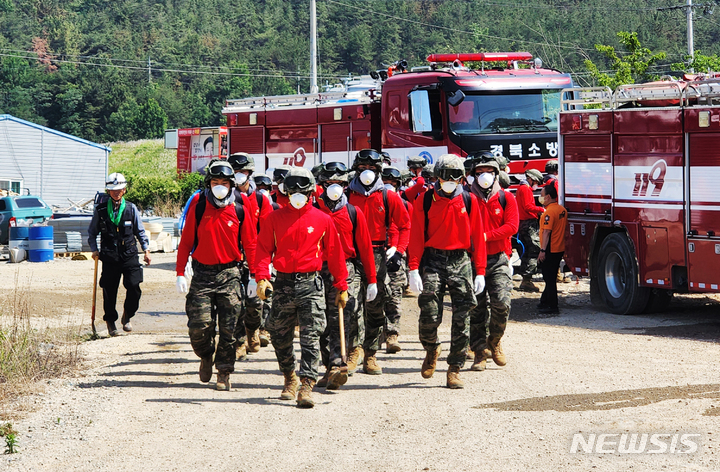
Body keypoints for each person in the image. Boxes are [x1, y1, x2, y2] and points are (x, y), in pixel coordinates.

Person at [255, 167, 349, 408]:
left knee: (311, 337)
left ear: (311, 192)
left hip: (311, 284)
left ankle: (306, 384)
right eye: (292, 190)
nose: (297, 194)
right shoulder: (273, 219)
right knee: (279, 335)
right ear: (286, 192)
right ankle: (289, 377)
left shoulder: (323, 219)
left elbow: (336, 255)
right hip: (283, 284)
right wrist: (262, 278)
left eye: (302, 190)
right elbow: (263, 250)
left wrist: (341, 285)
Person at [175, 159, 257, 391]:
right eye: (215, 182)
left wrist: (254, 275)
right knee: (199, 326)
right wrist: (180, 271)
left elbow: (250, 243)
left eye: (224, 182)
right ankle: (205, 355)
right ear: (208, 184)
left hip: (230, 273)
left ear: (231, 184)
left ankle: (224, 372)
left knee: (230, 328)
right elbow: (187, 240)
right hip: (202, 273)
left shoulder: (241, 205)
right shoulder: (199, 204)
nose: (219, 186)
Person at [407, 154, 486, 389]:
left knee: (463, 317)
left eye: (455, 176)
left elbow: (478, 238)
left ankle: (454, 368)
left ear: (462, 178)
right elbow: (416, 237)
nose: (450, 180)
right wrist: (413, 269)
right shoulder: (424, 201)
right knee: (429, 316)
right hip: (433, 260)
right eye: (445, 176)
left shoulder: (470, 201)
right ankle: (432, 349)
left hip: (460, 261)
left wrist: (479, 271)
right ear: (437, 178)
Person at [347, 149, 411, 375]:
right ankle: (353, 350)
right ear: (356, 169)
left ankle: (371, 353)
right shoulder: (345, 195)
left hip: (377, 254)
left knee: (375, 305)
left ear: (379, 171)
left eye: (372, 169)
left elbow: (404, 225)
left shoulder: (388, 196)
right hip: (351, 255)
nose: (367, 173)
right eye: (363, 168)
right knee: (351, 304)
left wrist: (399, 251)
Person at [315, 162, 378, 388]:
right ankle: (327, 364)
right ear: (322, 185)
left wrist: (372, 280)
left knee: (342, 315)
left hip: (347, 268)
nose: (334, 187)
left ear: (345, 185)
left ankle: (337, 363)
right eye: (329, 183)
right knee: (317, 319)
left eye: (339, 183)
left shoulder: (353, 212)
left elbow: (365, 247)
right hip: (316, 269)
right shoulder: (313, 210)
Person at [467, 152, 519, 372]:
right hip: (471, 260)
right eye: (479, 172)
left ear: (496, 173)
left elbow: (512, 227)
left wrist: (485, 236)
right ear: (473, 176)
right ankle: (479, 352)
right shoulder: (466, 198)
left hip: (498, 259)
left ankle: (494, 341)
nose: (484, 176)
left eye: (488, 171)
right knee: (476, 308)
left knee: (502, 303)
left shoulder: (507, 198)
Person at [88, 173, 151, 336]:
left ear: (124, 190)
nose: (116, 193)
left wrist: (146, 250)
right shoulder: (100, 210)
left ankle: (128, 315)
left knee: (134, 287)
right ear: (108, 191)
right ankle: (110, 322)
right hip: (109, 256)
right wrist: (94, 249)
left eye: (119, 190)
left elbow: (140, 231)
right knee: (109, 290)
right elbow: (92, 232)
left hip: (129, 254)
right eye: (112, 190)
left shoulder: (131, 208)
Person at [228, 152, 273, 356]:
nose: (239, 175)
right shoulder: (224, 197)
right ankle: (238, 342)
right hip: (233, 256)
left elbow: (267, 230)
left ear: (249, 173)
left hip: (255, 255)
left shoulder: (261, 199)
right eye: (235, 172)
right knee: (234, 302)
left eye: (242, 171)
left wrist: (267, 261)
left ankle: (253, 329)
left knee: (255, 301)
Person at [381, 166, 410, 353]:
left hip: (396, 254)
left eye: (392, 184)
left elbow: (407, 229)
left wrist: (399, 251)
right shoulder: (375, 201)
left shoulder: (405, 205)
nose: (388, 187)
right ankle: (373, 336)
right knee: (373, 297)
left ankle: (392, 334)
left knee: (394, 296)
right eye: (385, 183)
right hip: (375, 252)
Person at [537, 184, 567, 314]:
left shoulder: (548, 213)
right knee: (551, 276)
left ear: (548, 197)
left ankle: (552, 305)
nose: (541, 198)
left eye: (542, 195)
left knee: (549, 278)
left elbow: (546, 232)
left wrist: (542, 251)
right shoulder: (562, 210)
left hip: (550, 248)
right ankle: (544, 301)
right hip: (559, 248)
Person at [515, 169, 545, 292]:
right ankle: (527, 280)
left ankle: (525, 279)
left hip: (523, 223)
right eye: (536, 182)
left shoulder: (521, 188)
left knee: (527, 250)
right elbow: (528, 206)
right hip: (528, 224)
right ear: (531, 179)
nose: (536, 184)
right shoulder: (525, 189)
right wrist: (542, 209)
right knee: (534, 249)